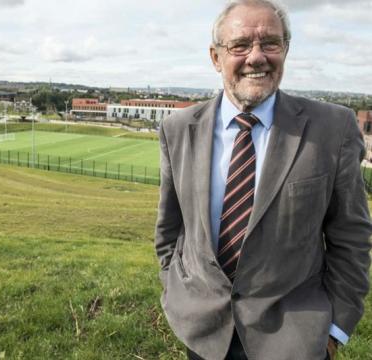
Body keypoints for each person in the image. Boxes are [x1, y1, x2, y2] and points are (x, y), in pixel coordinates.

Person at [154, 1, 372, 359]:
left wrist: (335, 330)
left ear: (286, 50)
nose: (256, 57)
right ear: (215, 57)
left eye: (270, 43)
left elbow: (351, 237)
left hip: (295, 340)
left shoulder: (333, 128)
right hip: (203, 334)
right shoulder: (178, 130)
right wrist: (177, 292)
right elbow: (169, 230)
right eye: (240, 45)